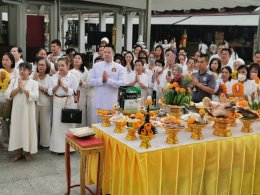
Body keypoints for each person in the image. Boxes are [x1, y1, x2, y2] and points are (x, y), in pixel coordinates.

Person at [5, 62, 39, 161]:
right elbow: (8, 94)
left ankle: (27, 152)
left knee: (27, 129)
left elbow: (36, 96)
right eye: (20, 69)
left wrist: (24, 89)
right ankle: (18, 153)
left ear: (29, 71)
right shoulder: (14, 81)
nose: (21, 71)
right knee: (17, 130)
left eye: (24, 69)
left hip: (28, 111)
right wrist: (18, 88)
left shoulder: (34, 83)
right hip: (16, 111)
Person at [88, 44, 126, 123]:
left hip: (111, 103)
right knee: (98, 126)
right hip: (99, 102)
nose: (106, 54)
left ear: (113, 54)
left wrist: (108, 80)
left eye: (109, 52)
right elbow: (90, 81)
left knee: (111, 127)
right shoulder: (96, 66)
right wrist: (101, 80)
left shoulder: (119, 67)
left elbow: (123, 83)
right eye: (105, 52)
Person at [48, 56, 79, 153]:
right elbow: (50, 92)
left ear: (68, 65)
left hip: (68, 101)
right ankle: (57, 148)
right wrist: (57, 85)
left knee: (68, 124)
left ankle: (70, 148)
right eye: (58, 65)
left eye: (62, 65)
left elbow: (74, 91)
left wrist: (63, 86)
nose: (60, 67)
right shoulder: (53, 77)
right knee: (57, 125)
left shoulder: (73, 77)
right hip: (57, 101)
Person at [0, 53, 19, 150]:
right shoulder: (0, 72)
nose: (4, 61)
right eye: (3, 59)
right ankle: (5, 142)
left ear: (12, 61)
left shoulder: (16, 72)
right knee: (4, 120)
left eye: (7, 60)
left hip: (14, 99)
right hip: (3, 99)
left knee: (14, 121)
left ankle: (15, 142)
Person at [33, 57, 52, 148]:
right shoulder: (33, 75)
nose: (40, 66)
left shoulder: (50, 78)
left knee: (45, 124)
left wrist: (41, 88)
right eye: (39, 65)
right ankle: (33, 143)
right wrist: (34, 80)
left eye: (43, 65)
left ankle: (45, 143)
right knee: (34, 124)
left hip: (46, 104)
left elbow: (50, 93)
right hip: (34, 103)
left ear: (46, 66)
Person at [70, 53, 89, 127]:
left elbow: (89, 85)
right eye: (75, 58)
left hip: (82, 95)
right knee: (73, 112)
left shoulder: (85, 72)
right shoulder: (70, 71)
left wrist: (82, 83)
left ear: (82, 61)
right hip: (73, 95)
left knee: (82, 114)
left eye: (79, 58)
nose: (77, 59)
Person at [86, 56, 103, 127]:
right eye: (96, 64)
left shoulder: (106, 71)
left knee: (101, 117)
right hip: (92, 96)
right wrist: (100, 81)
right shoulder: (91, 71)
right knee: (92, 117)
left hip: (103, 97)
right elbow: (89, 82)